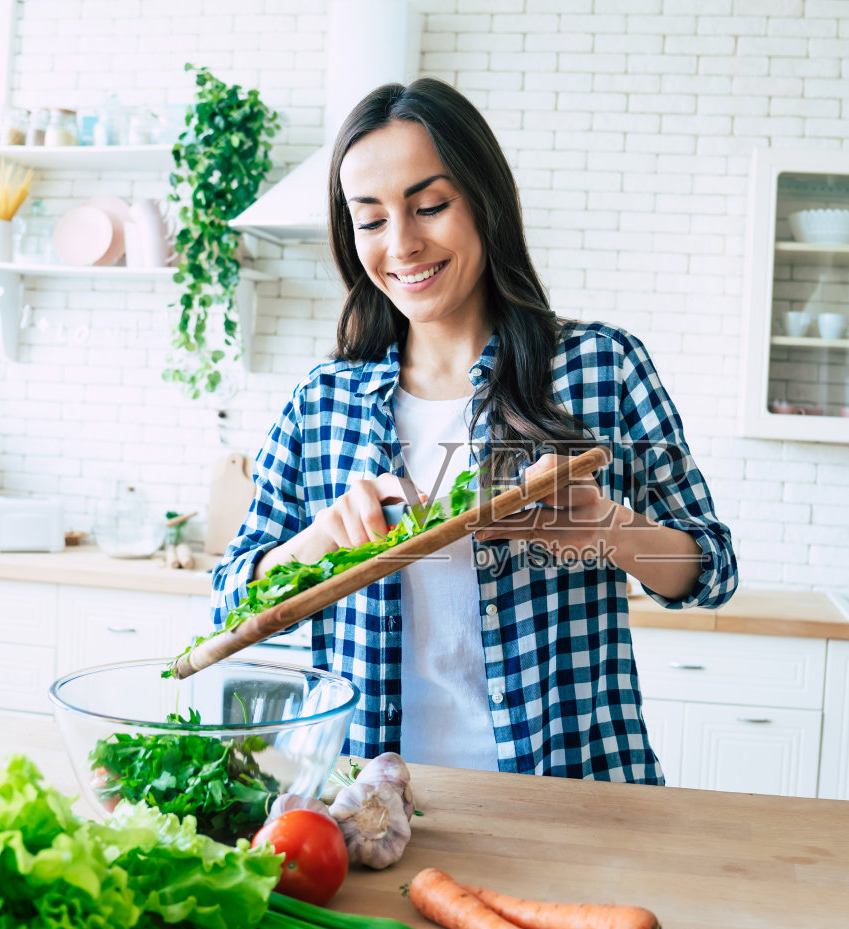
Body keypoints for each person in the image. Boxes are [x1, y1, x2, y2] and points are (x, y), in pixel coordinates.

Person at [212, 77, 736, 784]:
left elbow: (712, 570)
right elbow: (228, 603)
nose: (402, 244)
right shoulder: (323, 402)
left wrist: (609, 529)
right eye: (370, 220)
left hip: (574, 791)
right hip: (374, 804)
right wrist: (320, 544)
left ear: (486, 205)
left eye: (430, 206)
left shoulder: (600, 367)